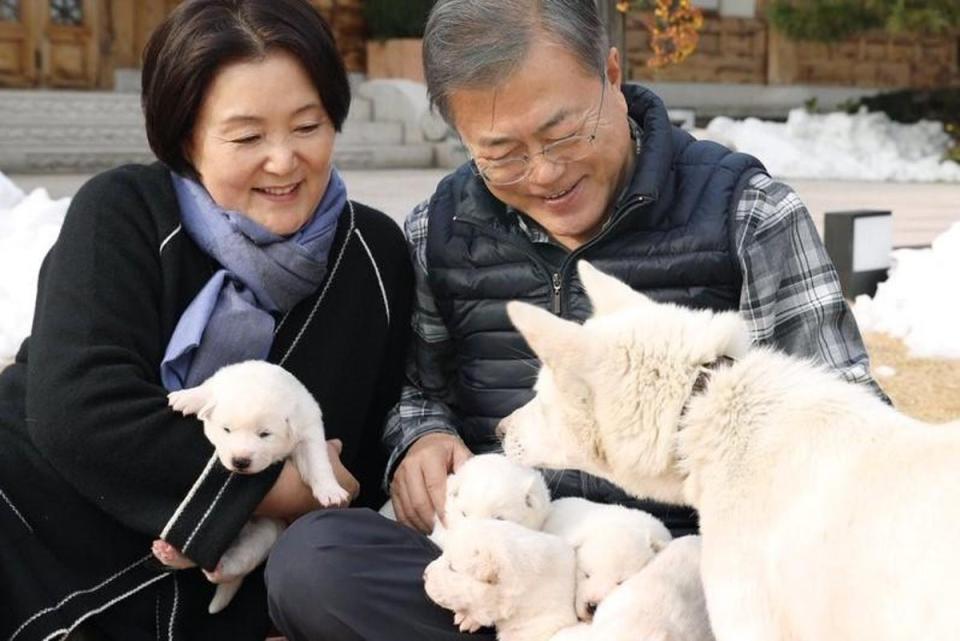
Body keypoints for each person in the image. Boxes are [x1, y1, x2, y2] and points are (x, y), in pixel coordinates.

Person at [266, 1, 886, 640]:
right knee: (313, 564)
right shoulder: (438, 229)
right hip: (505, 561)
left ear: (611, 75)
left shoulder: (747, 213)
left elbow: (845, 424)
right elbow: (420, 392)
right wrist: (420, 439)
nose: (545, 173)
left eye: (563, 134)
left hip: (675, 565)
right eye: (501, 154)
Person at [0, 0, 413, 639]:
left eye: (308, 126)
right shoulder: (125, 210)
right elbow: (79, 410)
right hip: (32, 517)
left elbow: (372, 431)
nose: (283, 161)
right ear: (186, 136)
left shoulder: (375, 255)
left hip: (215, 582)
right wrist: (276, 486)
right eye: (247, 137)